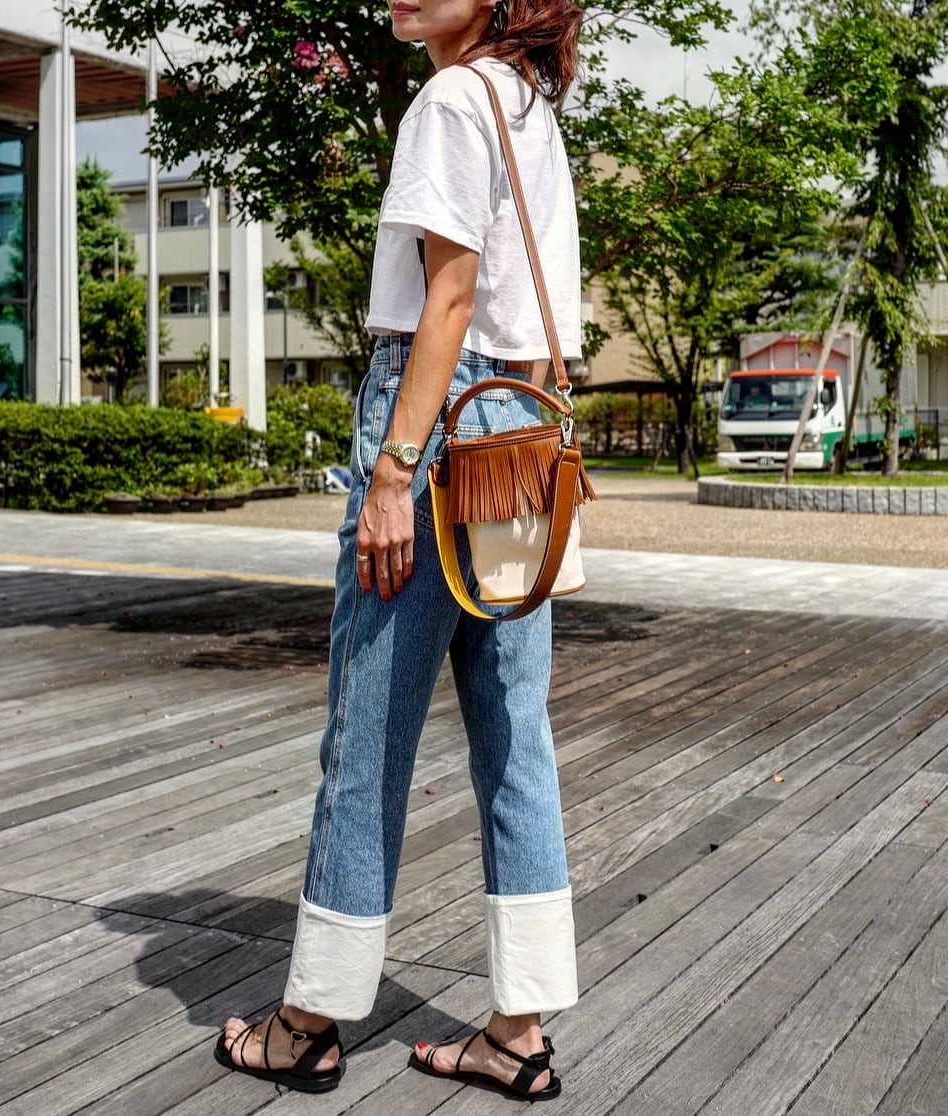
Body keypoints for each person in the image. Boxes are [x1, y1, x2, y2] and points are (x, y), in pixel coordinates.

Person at [217, 0, 584, 1101]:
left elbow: (451, 296)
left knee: (367, 727)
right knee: (516, 737)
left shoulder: (444, 99)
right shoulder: (528, 104)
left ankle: (310, 1021)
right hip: (520, 432)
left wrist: (391, 473)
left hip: (432, 427)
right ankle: (518, 1028)